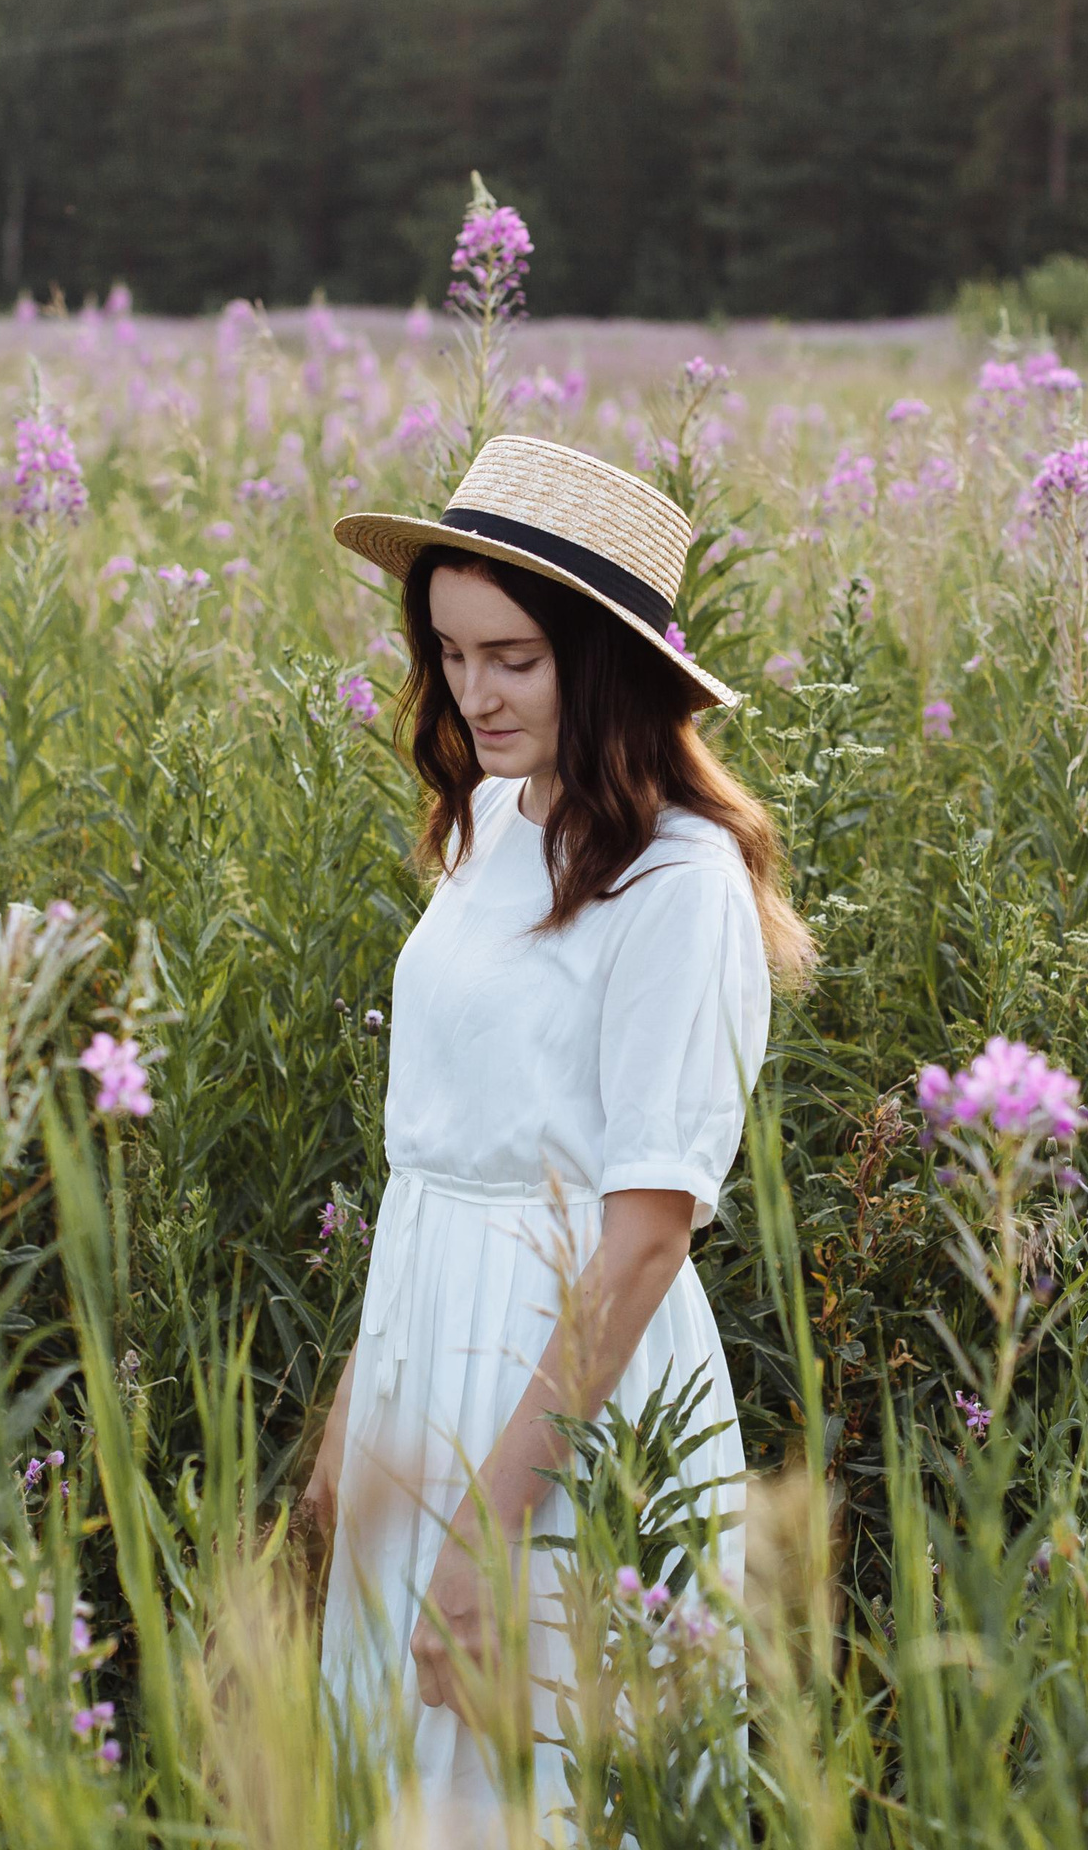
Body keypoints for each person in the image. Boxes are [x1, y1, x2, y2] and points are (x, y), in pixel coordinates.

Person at [307, 435, 815, 1834]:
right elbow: (439, 1158)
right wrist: (356, 1413)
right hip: (428, 1337)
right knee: (403, 1787)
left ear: (600, 662)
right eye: (454, 653)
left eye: (514, 657)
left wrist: (487, 1526)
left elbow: (647, 1237)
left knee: (542, 1795)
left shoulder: (681, 883)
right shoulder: (489, 822)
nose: (473, 692)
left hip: (564, 1389)